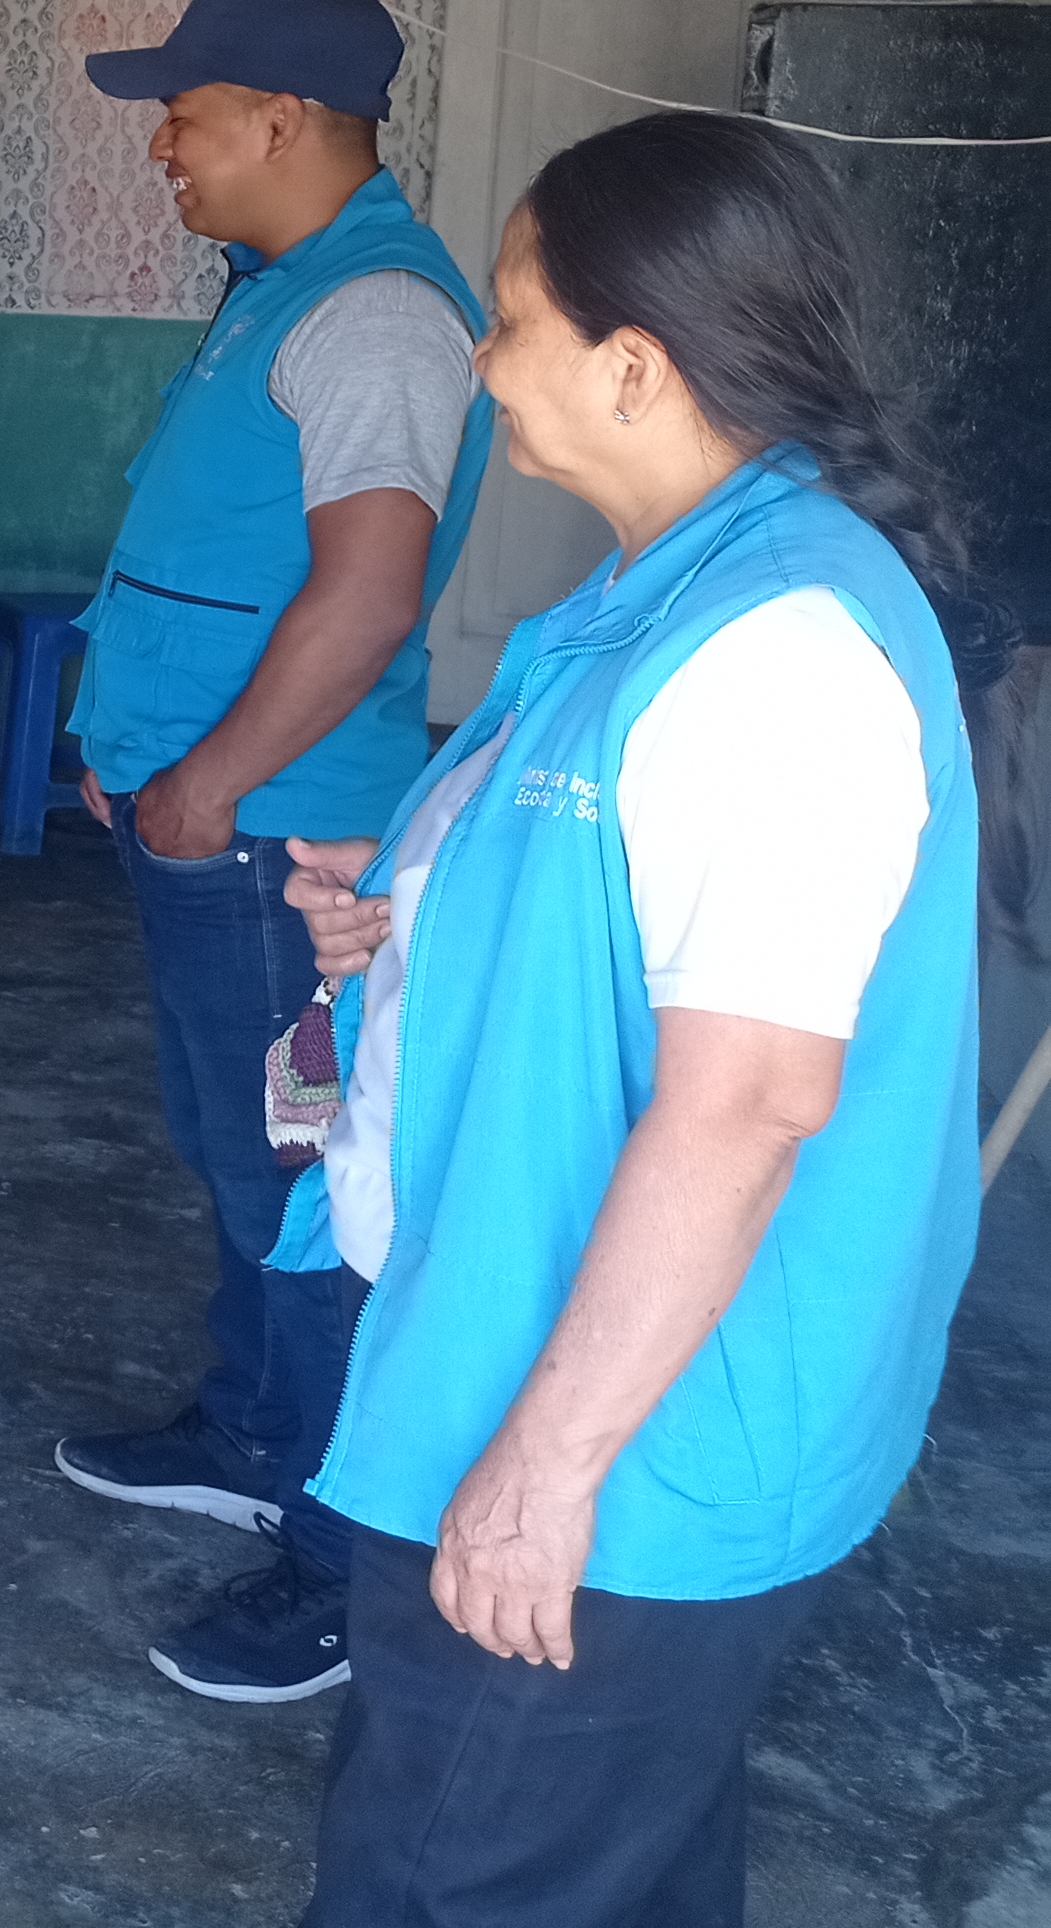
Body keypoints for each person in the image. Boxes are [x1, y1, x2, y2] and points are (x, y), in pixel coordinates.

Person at [275, 112, 985, 1922]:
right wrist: (420, 911)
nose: (483, 357)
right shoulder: (664, 591)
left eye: (512, 317)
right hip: (528, 1362)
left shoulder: (776, 654)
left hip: (613, 1460)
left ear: (635, 364)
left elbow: (747, 1100)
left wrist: (545, 1468)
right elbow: (625, 906)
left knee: (450, 1881)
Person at [49, 0, 494, 1709]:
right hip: (213, 831)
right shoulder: (280, 291)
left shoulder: (374, 312)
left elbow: (366, 596)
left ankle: (336, 1552)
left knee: (305, 1175)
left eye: (185, 113)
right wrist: (138, 753)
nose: (162, 145)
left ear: (285, 118)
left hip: (281, 855)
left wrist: (209, 783)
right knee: (240, 1143)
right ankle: (250, 1433)